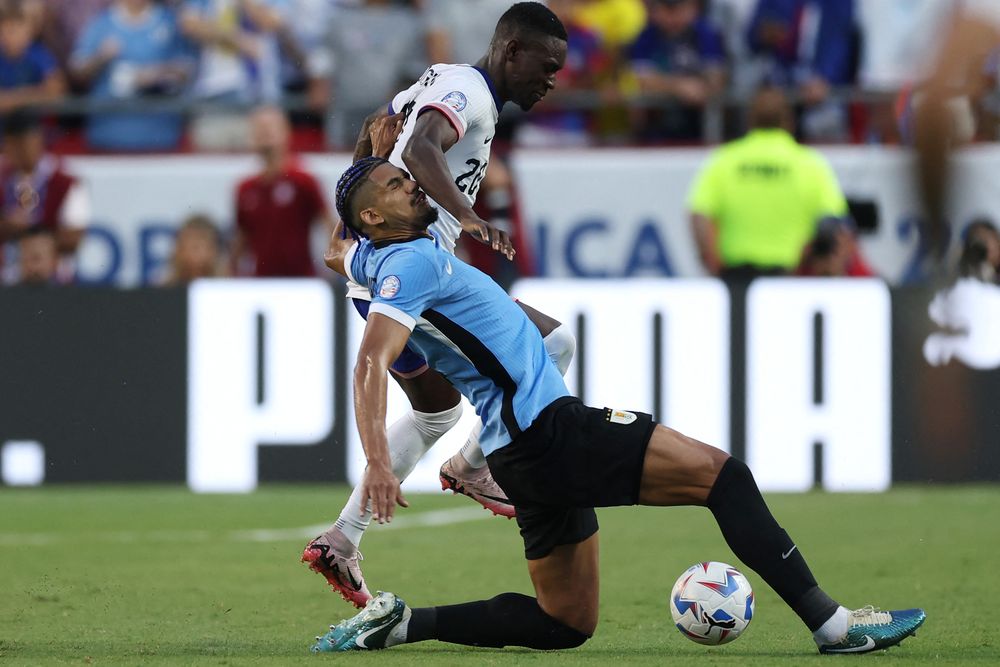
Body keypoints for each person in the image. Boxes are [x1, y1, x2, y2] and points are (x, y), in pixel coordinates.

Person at [311, 156, 925, 655]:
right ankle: (836, 627)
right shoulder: (411, 262)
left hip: (520, 456)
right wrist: (379, 463)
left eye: (407, 177)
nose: (412, 184)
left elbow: (350, 251)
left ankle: (401, 624)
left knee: (565, 622)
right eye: (395, 186)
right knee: (725, 477)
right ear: (372, 214)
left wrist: (348, 252)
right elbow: (370, 362)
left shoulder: (377, 257)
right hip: (550, 432)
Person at [301, 2, 577, 609]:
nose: (552, 79)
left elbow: (381, 127)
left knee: (435, 413)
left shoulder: (442, 80)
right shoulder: (470, 93)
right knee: (554, 344)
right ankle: (473, 466)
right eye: (546, 65)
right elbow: (422, 145)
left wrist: (351, 221)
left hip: (384, 273)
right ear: (510, 51)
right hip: (420, 272)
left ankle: (343, 538)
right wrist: (470, 215)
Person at [687, 87, 847, 282]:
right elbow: (833, 224)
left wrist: (713, 266)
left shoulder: (724, 161)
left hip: (736, 278)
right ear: (789, 122)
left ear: (750, 121)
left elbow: (699, 216)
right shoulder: (810, 164)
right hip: (790, 279)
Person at [70, 0, 191, 151]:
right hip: (108, 135)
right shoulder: (100, 24)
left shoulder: (169, 22)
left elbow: (188, 69)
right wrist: (100, 58)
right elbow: (77, 72)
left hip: (160, 136)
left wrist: (158, 73)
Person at [231, 105, 334, 277]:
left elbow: (329, 225)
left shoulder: (303, 180)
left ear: (286, 132)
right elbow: (241, 237)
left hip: (302, 279)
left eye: (270, 127)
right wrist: (231, 271)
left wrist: (332, 269)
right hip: (262, 282)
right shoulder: (245, 189)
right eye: (259, 128)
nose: (264, 133)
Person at [180, 0, 287, 150]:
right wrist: (236, 38)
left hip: (257, 94)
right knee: (212, 162)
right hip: (213, 94)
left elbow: (271, 22)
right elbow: (190, 25)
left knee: (253, 161)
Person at [0, 110, 88, 283]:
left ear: (39, 140)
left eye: (25, 144)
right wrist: (7, 226)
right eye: (14, 146)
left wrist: (36, 234)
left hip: (52, 280)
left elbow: (75, 237)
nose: (20, 152)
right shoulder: (3, 179)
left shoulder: (65, 182)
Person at [626, 0, 726, 142]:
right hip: (656, 123)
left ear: (693, 8)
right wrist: (679, 87)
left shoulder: (707, 34)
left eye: (679, 8)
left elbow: (716, 79)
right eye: (666, 9)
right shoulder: (645, 37)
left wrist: (702, 88)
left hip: (698, 122)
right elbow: (642, 81)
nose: (672, 17)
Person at [0, 0, 66, 115]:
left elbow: (57, 89)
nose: (10, 36)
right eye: (6, 30)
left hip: (30, 126)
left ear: (30, 30)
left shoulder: (38, 54)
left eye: (15, 30)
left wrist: (16, 98)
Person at [162, 213, 226, 285]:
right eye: (191, 245)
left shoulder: (228, 288)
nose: (195, 253)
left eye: (199, 244)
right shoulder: (164, 287)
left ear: (214, 250)